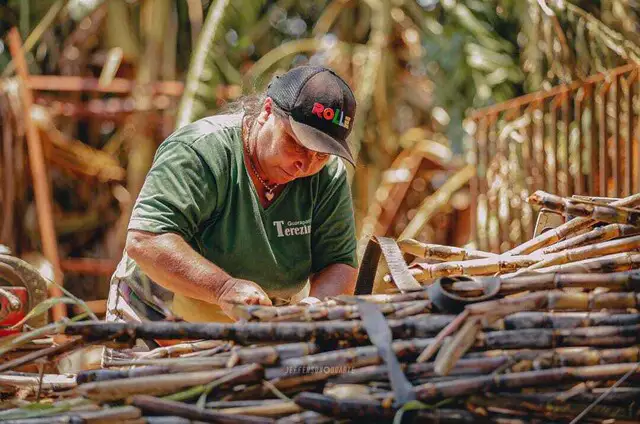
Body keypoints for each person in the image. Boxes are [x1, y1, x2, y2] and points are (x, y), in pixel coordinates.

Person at [106, 66, 359, 324]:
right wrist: (223, 288)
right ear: (267, 112)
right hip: (153, 317)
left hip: (253, 330)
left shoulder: (327, 176)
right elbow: (146, 240)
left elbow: (338, 262)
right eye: (297, 144)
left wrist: (311, 313)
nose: (306, 165)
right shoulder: (200, 150)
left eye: (321, 154)